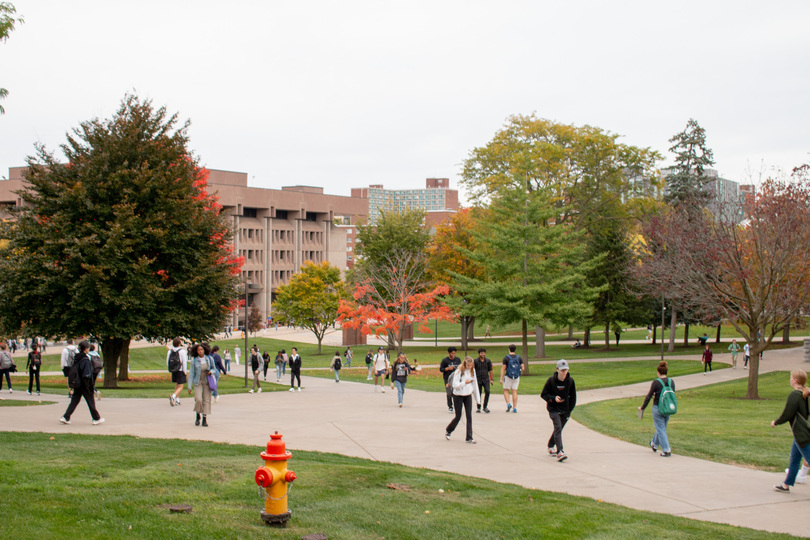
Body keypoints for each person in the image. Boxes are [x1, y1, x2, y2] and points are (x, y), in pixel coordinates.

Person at [772, 370, 810, 492]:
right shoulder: (806, 392)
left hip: (802, 433)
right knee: (794, 458)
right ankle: (786, 484)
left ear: (795, 380)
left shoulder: (795, 395)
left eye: (791, 377)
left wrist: (776, 422)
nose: (790, 379)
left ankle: (786, 484)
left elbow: (788, 413)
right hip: (800, 433)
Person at [59, 340, 104, 425]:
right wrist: (90, 385)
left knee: (75, 400)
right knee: (90, 400)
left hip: (77, 382)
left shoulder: (77, 358)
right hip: (84, 384)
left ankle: (66, 417)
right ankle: (96, 418)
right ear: (86, 349)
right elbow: (86, 374)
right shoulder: (85, 360)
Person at [541, 359, 577, 462]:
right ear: (557, 369)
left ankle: (550, 445)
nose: (563, 373)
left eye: (565, 370)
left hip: (565, 410)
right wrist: (553, 398)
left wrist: (569, 411)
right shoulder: (551, 381)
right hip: (553, 409)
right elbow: (544, 394)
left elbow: (573, 398)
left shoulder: (570, 381)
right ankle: (560, 451)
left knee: (559, 429)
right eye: (562, 370)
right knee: (557, 426)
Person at [638, 360, 674, 457]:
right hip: (668, 409)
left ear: (658, 372)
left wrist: (642, 407)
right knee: (662, 428)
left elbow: (649, 396)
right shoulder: (671, 382)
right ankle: (654, 443)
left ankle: (666, 450)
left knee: (660, 428)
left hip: (657, 408)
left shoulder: (656, 382)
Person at [445, 356, 481, 444]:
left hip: (468, 395)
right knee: (458, 416)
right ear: (464, 364)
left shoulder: (473, 371)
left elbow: (475, 385)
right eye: (468, 365)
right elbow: (455, 385)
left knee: (469, 416)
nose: (469, 367)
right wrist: (465, 382)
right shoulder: (458, 372)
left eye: (471, 365)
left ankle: (469, 437)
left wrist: (478, 400)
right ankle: (449, 430)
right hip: (458, 395)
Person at [188, 343, 214, 426]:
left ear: (205, 350)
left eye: (202, 349)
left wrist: (210, 372)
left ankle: (204, 419)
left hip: (206, 382)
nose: (200, 351)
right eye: (198, 350)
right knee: (198, 399)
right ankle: (197, 414)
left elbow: (214, 369)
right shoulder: (194, 361)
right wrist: (189, 386)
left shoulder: (209, 359)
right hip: (198, 382)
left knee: (206, 400)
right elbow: (191, 374)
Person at [500, 344, 524, 413]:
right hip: (516, 377)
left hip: (508, 376)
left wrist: (501, 378)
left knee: (506, 390)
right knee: (514, 391)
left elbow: (503, 368)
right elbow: (523, 367)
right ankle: (515, 407)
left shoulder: (506, 358)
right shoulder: (519, 358)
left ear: (509, 349)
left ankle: (508, 403)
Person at [167, 337, 188, 406]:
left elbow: (167, 361)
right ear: (179, 343)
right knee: (181, 386)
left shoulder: (170, 351)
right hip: (180, 370)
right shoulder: (182, 351)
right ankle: (173, 396)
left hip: (174, 370)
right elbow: (184, 362)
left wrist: (170, 369)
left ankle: (177, 400)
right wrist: (185, 372)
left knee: (177, 385)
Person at [439, 346, 461, 412]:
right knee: (449, 392)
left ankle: (457, 405)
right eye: (452, 353)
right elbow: (441, 369)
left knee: (456, 392)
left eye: (454, 353)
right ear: (449, 353)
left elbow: (461, 367)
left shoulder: (458, 359)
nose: (453, 355)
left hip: (456, 378)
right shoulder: (445, 360)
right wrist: (447, 369)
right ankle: (450, 406)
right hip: (447, 379)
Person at [473, 347, 493, 414]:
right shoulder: (475, 361)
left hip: (486, 379)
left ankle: (485, 406)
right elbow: (472, 370)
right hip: (478, 379)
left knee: (487, 391)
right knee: (478, 393)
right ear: (479, 354)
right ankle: (478, 407)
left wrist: (491, 379)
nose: (483, 354)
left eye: (484, 353)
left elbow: (490, 370)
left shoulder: (488, 361)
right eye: (481, 353)